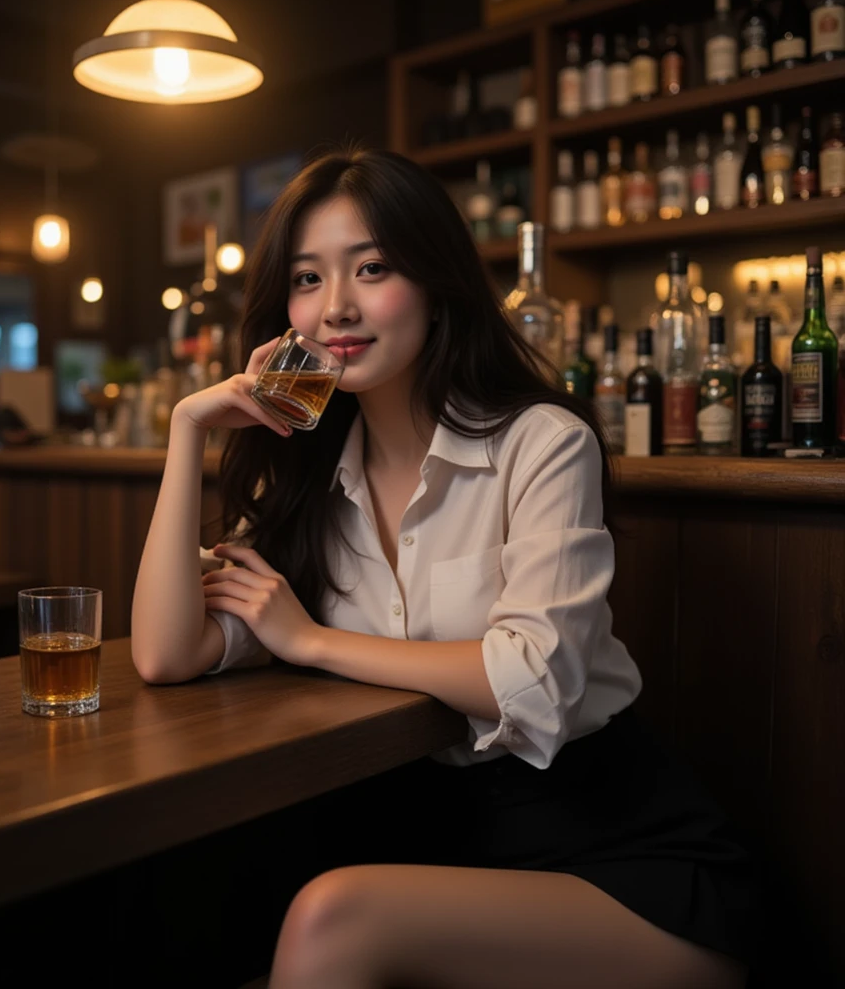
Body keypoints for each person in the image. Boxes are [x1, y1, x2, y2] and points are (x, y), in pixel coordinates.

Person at [131, 146, 757, 989]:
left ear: (434, 281)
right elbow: (167, 654)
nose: (337, 308)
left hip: (614, 856)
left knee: (326, 918)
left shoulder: (541, 443)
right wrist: (187, 430)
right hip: (425, 841)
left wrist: (311, 642)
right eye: (308, 279)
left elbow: (531, 681)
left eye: (374, 268)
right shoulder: (310, 480)